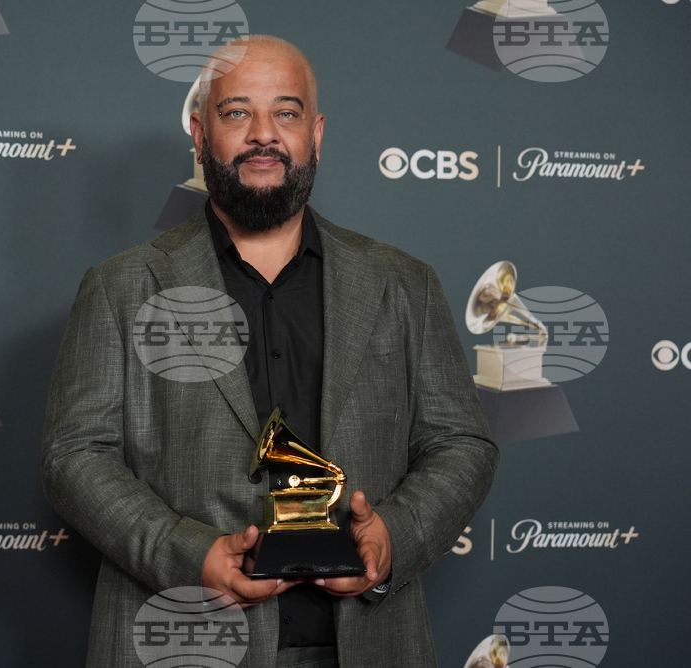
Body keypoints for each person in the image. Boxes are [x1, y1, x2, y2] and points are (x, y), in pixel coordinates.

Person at [41, 35, 498, 668]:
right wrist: (187, 552)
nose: (264, 134)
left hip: (368, 644)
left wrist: (395, 534)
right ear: (200, 135)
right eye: (237, 113)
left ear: (316, 132)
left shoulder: (404, 284)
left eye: (285, 113)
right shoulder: (120, 287)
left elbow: (462, 443)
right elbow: (74, 456)